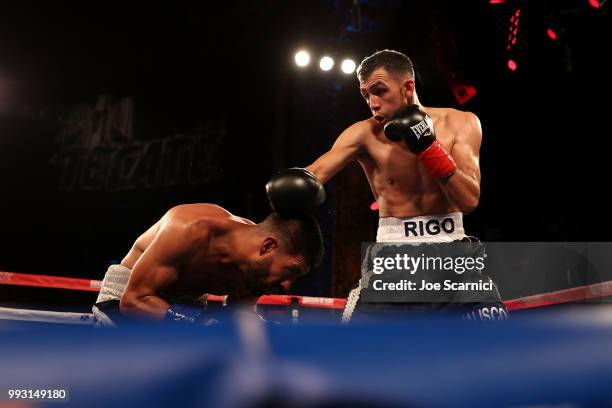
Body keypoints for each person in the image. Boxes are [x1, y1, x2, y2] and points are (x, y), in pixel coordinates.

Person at [267, 49, 506, 321]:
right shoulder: (364, 134)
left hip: (453, 254)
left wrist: (428, 146)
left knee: (492, 343)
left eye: (380, 91)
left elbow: (469, 200)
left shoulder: (460, 123)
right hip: (394, 260)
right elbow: (315, 173)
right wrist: (289, 189)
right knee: (363, 355)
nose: (373, 103)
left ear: (408, 87)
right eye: (366, 95)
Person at [92, 202, 324, 325]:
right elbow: (133, 302)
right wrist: (199, 323)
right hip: (126, 298)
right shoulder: (191, 228)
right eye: (291, 270)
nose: (287, 285)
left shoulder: (256, 273)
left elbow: (238, 316)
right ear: (268, 246)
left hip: (188, 308)